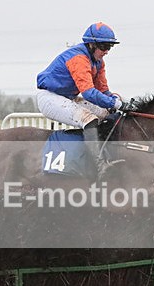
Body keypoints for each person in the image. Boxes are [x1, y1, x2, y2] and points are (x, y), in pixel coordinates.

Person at [36, 22, 124, 178]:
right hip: (50, 97)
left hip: (68, 97)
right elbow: (89, 93)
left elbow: (102, 90)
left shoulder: (98, 62)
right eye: (104, 47)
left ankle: (108, 153)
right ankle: (99, 165)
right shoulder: (79, 58)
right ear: (91, 44)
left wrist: (115, 99)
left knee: (107, 114)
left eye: (109, 47)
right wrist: (113, 102)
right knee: (89, 120)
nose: (106, 52)